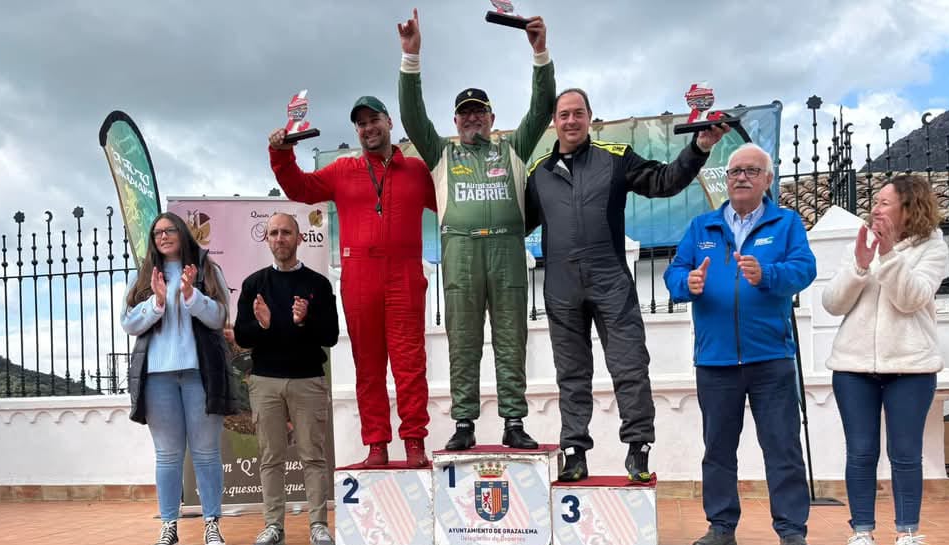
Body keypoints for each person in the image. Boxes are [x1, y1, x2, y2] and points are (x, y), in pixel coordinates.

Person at [526, 88, 728, 482]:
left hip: (610, 280)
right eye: (563, 115)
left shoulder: (614, 158)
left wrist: (699, 148)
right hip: (561, 286)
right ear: (554, 121)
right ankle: (574, 453)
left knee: (630, 365)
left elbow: (665, 181)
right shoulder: (539, 174)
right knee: (571, 372)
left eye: (578, 114)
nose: (570, 121)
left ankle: (638, 449)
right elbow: (515, 221)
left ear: (589, 117)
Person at [397, 7, 554, 451]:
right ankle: (464, 421)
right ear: (455, 121)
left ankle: (514, 422)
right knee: (463, 344)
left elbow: (542, 108)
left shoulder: (514, 149)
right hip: (461, 256)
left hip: (506, 253)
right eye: (464, 113)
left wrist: (540, 53)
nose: (471, 119)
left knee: (511, 341)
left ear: (490, 115)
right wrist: (412, 59)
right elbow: (412, 117)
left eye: (478, 112)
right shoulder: (441, 154)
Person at [664, 144, 817, 545]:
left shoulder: (785, 223)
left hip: (771, 358)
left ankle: (791, 531)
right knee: (717, 448)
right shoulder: (702, 227)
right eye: (734, 171)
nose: (741, 178)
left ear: (768, 179)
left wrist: (767, 274)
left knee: (782, 447)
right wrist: (687, 283)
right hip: (714, 361)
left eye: (752, 170)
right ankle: (721, 526)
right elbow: (674, 272)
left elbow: (805, 270)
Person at [269, 95, 436, 469]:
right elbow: (301, 188)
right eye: (360, 124)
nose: (368, 128)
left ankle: (414, 444)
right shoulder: (342, 170)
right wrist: (281, 153)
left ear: (389, 121)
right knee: (368, 366)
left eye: (373, 120)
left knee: (410, 364)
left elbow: (451, 204)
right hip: (360, 275)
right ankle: (376, 445)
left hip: (405, 273)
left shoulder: (417, 171)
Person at [822, 175, 948, 545]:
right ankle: (862, 535)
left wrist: (889, 255)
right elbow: (831, 303)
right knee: (860, 453)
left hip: (911, 367)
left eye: (884, 203)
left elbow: (912, 300)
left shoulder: (933, 246)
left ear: (909, 208)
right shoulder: (861, 243)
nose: (875, 209)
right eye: (875, 202)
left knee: (906, 454)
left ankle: (907, 536)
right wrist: (860, 265)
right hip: (852, 367)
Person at [122, 212, 237, 545]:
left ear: (183, 233)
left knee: (205, 453)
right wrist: (157, 302)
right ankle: (169, 527)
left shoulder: (206, 270)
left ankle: (212, 524)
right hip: (157, 378)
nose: (164, 236)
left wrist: (191, 295)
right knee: (168, 456)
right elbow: (128, 323)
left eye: (170, 230)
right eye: (157, 232)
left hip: (200, 375)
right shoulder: (144, 276)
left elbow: (219, 317)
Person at [233, 213, 340, 545]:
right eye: (274, 233)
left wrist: (304, 320)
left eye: (286, 232)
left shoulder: (318, 284)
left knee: (313, 456)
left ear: (299, 238)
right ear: (267, 240)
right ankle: (273, 526)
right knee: (271, 457)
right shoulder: (254, 285)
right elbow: (243, 336)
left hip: (308, 380)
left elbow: (330, 336)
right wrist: (264, 325)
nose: (280, 238)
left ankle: (318, 526)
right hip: (265, 382)